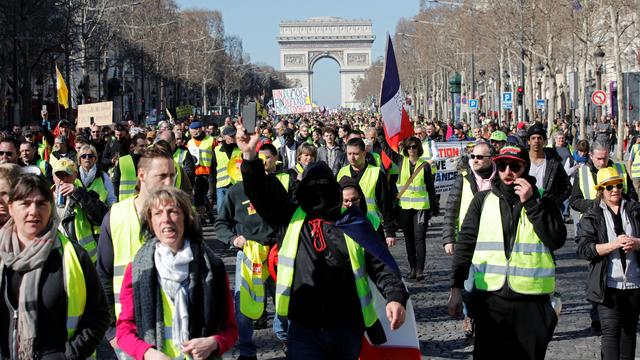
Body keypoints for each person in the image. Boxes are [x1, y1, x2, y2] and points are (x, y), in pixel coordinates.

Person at [237, 123, 408, 360]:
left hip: (347, 325)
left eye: (324, 189)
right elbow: (258, 192)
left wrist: (395, 296)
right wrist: (249, 156)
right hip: (303, 325)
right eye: (312, 189)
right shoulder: (288, 218)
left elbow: (381, 264)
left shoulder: (354, 222)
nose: (319, 194)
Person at [448, 144, 566, 359]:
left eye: (514, 166)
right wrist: (456, 288)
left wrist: (531, 204)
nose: (507, 172)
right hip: (491, 299)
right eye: (501, 165)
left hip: (532, 301)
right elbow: (465, 246)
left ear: (525, 168)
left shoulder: (543, 200)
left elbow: (556, 239)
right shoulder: (482, 201)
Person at [116, 187, 238, 359]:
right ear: (150, 222)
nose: (166, 220)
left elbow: (231, 329)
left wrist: (214, 343)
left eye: (173, 212)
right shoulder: (136, 269)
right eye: (158, 213)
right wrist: (148, 353)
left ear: (186, 218)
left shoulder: (213, 266)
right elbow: (123, 331)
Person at [0, 174, 110, 359]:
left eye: (41, 203)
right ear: (11, 207)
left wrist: (68, 355)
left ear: (51, 207)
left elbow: (99, 315)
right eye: (25, 203)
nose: (33, 211)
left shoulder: (73, 255)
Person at [96, 146, 177, 354]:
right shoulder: (116, 216)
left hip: (175, 328)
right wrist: (112, 331)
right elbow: (103, 276)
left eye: (172, 176)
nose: (169, 183)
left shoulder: (183, 216)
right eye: (162, 176)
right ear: (141, 175)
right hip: (130, 330)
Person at [214, 157, 287, 359]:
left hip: (274, 252)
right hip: (248, 255)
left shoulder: (273, 184)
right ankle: (246, 349)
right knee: (244, 304)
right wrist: (233, 239)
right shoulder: (234, 192)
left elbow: (287, 211)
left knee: (283, 300)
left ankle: (287, 339)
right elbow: (221, 223)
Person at [577, 167, 640, 360]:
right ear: (601, 190)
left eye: (618, 185)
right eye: (609, 186)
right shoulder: (592, 214)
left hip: (634, 283)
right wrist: (613, 245)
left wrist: (637, 243)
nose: (615, 190)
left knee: (629, 333)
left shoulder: (635, 209)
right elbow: (585, 249)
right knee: (611, 333)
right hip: (607, 285)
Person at [442, 140, 496, 339]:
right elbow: (451, 209)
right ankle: (469, 315)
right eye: (472, 156)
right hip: (468, 239)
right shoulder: (463, 178)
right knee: (469, 283)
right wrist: (449, 238)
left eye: (480, 157)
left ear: (491, 159)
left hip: (494, 238)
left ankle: (490, 316)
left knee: (491, 283)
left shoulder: (499, 177)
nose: (474, 160)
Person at [377, 131, 438, 280]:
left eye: (415, 147)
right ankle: (412, 268)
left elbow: (430, 188)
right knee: (409, 238)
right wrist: (380, 133)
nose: (412, 149)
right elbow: (386, 149)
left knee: (419, 238)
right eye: (409, 147)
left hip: (421, 208)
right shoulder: (400, 160)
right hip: (404, 207)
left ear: (419, 149)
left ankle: (419, 270)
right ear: (406, 149)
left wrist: (434, 207)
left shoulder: (425, 166)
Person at [53, 158, 109, 263]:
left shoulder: (86, 194)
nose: (62, 179)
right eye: (59, 175)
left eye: (66, 174)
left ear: (75, 175)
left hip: (85, 258)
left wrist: (78, 193)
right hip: (59, 258)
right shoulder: (45, 198)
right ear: (53, 177)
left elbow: (102, 217)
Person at [526, 124, 571, 209]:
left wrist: (555, 200)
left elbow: (566, 185)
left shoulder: (553, 161)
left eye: (539, 138)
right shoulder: (522, 161)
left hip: (548, 210)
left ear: (544, 141)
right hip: (527, 208)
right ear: (528, 141)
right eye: (533, 138)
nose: (536, 141)